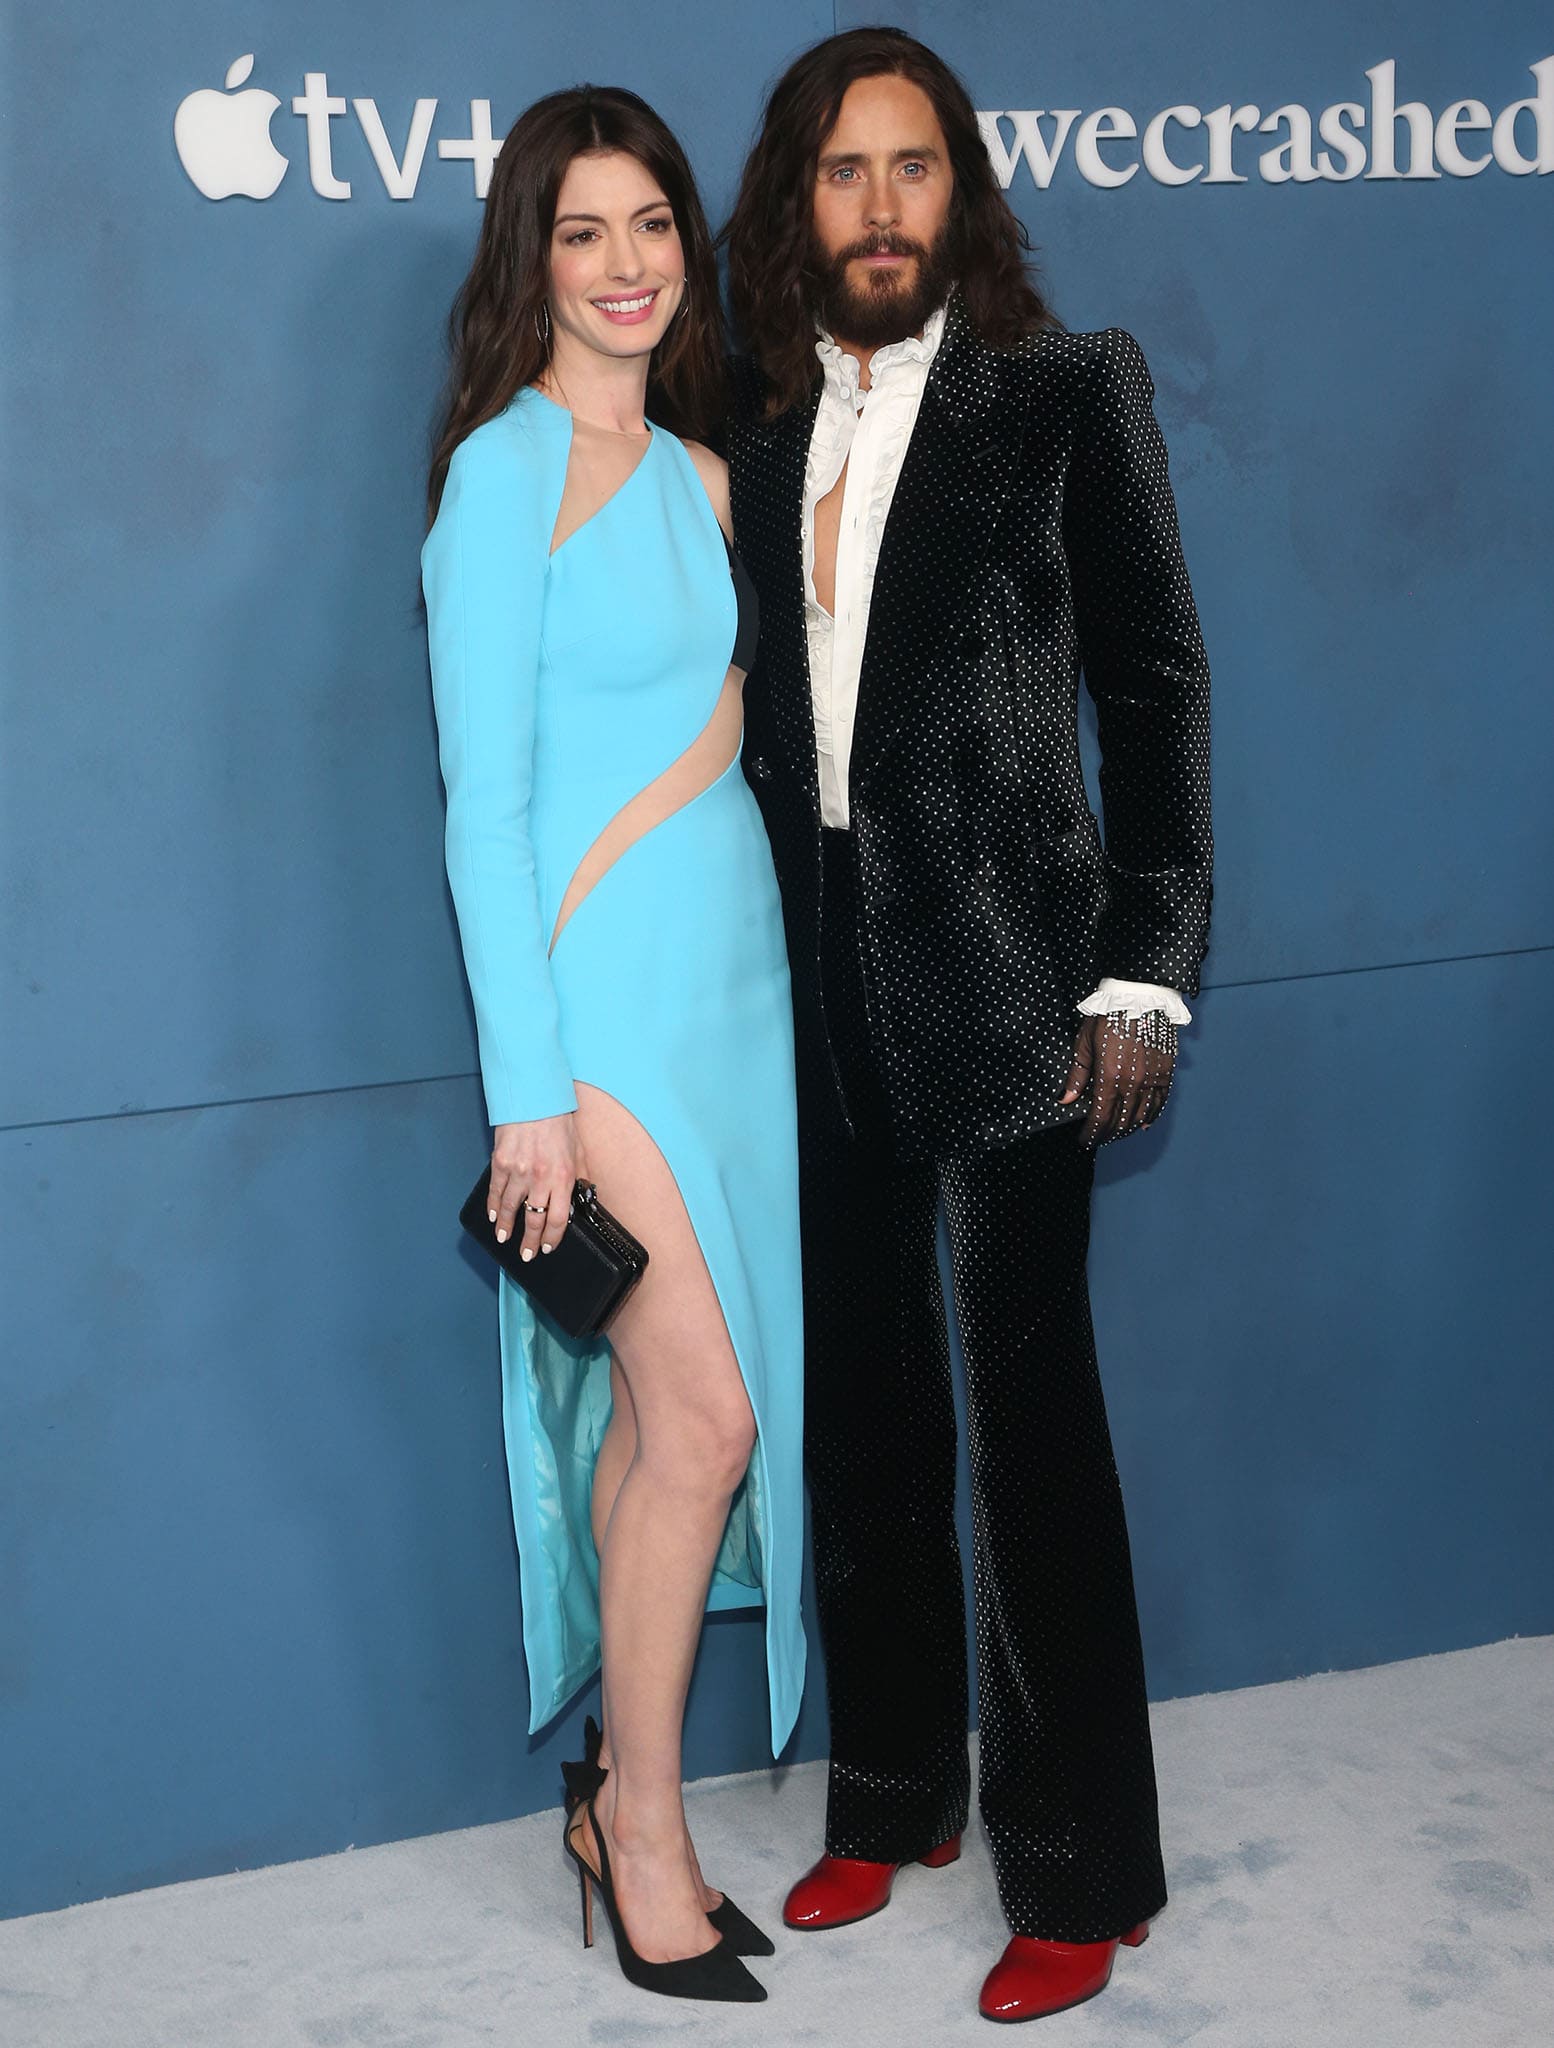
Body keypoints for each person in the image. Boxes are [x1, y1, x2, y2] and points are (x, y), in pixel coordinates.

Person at [722, 27, 1212, 2024]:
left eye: (914, 168)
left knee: (1027, 1427)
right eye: (845, 173)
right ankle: (902, 1787)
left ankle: (1083, 1864)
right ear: (799, 202)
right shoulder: (748, 425)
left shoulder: (1059, 393)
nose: (882, 207)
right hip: (806, 964)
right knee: (865, 1405)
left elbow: (1163, 683)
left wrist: (1149, 955)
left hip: (1026, 980)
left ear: (963, 190)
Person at [420, 84, 804, 2005]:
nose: (627, 265)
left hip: (731, 989)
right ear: (531, 260)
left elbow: (737, 741)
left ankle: (612, 1792)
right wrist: (529, 1099)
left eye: (651, 223)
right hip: (603, 1023)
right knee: (708, 1424)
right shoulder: (503, 476)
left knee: (667, 1423)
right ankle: (642, 1829)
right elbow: (483, 809)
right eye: (582, 232)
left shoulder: (706, 478)